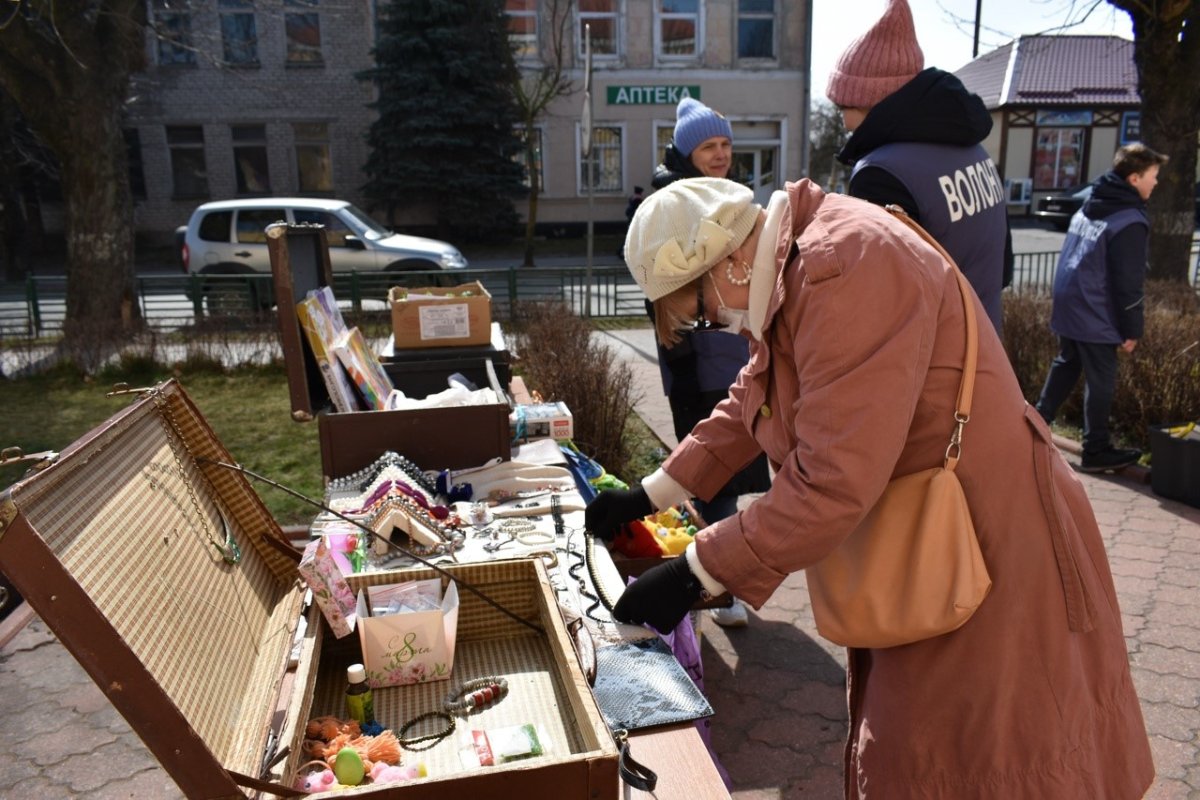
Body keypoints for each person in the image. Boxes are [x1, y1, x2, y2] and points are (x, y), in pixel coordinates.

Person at [587, 177, 1154, 797]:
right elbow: (756, 396)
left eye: (698, 309)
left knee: (981, 750)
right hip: (932, 534)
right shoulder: (794, 265)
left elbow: (830, 479)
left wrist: (697, 570)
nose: (712, 325)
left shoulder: (843, 268)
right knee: (929, 744)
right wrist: (651, 495)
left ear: (728, 260)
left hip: (986, 541)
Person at [645, 96, 771, 628]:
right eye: (708, 147)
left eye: (725, 145)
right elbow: (661, 285)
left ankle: (713, 583)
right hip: (695, 359)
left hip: (737, 354)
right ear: (685, 152)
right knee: (711, 472)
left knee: (730, 471)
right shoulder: (667, 205)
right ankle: (713, 584)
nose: (720, 155)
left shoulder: (734, 200)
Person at [827, 0, 1012, 334]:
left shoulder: (881, 174)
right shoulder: (974, 150)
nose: (843, 121)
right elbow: (1003, 266)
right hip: (984, 347)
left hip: (934, 362)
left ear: (872, 100)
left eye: (844, 106)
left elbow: (880, 301)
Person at [1035, 142, 1168, 473]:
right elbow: (1127, 282)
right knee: (1102, 378)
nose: (1156, 182)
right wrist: (1131, 329)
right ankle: (1096, 449)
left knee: (1067, 363)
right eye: (1153, 176)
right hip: (1096, 310)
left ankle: (1034, 423)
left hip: (1070, 302)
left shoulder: (1092, 203)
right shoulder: (1129, 220)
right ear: (1135, 178)